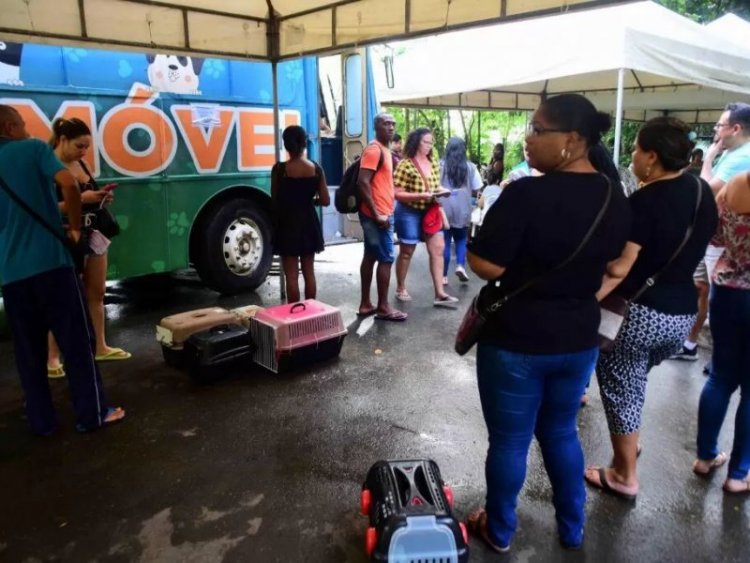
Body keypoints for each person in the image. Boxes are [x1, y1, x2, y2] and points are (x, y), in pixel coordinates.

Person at [465, 94, 630, 552]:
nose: (528, 137)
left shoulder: (526, 192)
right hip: (578, 337)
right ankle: (573, 529)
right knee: (560, 432)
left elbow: (482, 261)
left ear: (573, 140)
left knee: (510, 441)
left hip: (517, 338)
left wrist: (521, 269)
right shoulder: (612, 197)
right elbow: (615, 259)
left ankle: (499, 531)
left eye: (538, 130)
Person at [586, 117, 718, 501]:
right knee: (634, 379)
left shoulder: (644, 202)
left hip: (639, 313)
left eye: (636, 150)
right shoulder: (700, 190)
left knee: (621, 388)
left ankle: (624, 474)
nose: (632, 157)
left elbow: (619, 268)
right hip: (682, 315)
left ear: (653, 157)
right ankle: (631, 441)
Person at [0, 105, 124, 434]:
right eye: (22, 124)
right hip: (51, 265)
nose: (27, 129)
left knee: (29, 353)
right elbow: (69, 184)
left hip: (11, 275)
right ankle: (92, 414)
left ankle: (42, 423)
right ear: (9, 127)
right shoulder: (33, 149)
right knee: (77, 343)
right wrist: (71, 228)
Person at [46, 118, 131, 378]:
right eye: (79, 146)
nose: (83, 152)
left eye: (86, 147)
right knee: (62, 298)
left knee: (97, 292)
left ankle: (100, 346)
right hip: (65, 236)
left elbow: (87, 199)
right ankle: (52, 357)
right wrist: (80, 199)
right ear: (62, 140)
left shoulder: (80, 164)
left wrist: (100, 197)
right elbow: (45, 205)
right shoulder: (48, 166)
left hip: (94, 234)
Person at [674, 103, 750, 362]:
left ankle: (721, 354)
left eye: (720, 125)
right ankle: (690, 344)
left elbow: (708, 188)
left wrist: (708, 158)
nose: (716, 129)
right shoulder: (734, 152)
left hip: (724, 242)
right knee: (701, 288)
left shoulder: (741, 156)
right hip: (717, 236)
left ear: (736, 128)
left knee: (714, 293)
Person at [693, 170, 750, 493]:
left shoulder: (734, 186)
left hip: (727, 290)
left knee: (720, 377)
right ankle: (738, 475)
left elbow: (713, 238)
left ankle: (704, 458)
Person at [392, 128, 456, 307]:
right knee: (407, 251)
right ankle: (401, 287)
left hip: (430, 210)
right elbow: (397, 193)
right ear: (416, 142)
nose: (429, 146)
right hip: (409, 211)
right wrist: (420, 196)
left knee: (438, 249)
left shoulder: (433, 162)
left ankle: (440, 293)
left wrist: (441, 191)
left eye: (431, 143)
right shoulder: (405, 164)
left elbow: (435, 186)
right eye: (426, 142)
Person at [356, 113, 407, 322]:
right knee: (386, 258)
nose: (391, 127)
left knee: (370, 256)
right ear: (377, 126)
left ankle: (366, 304)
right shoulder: (374, 149)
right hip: (377, 216)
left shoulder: (385, 150)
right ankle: (384, 307)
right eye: (386, 124)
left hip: (381, 213)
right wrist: (377, 214)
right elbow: (362, 182)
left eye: (393, 124)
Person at [271, 125, 329, 303]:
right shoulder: (316, 168)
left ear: (286, 145)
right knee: (309, 271)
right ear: (305, 144)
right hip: (309, 222)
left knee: (291, 275)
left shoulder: (279, 170)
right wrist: (311, 201)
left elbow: (275, 199)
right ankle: (311, 312)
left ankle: (294, 315)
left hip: (288, 223)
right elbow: (326, 200)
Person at [440, 137, 482, 285]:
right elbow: (477, 188)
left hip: (443, 208)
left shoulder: (440, 165)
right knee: (461, 239)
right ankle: (460, 266)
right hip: (463, 208)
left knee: (444, 241)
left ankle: (443, 276)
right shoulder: (470, 167)